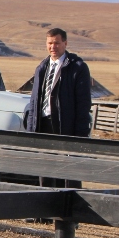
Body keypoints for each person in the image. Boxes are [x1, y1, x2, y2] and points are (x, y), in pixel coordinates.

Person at [24, 27, 92, 187]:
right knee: (46, 167)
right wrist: (31, 129)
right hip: (44, 124)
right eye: (49, 43)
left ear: (65, 43)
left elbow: (83, 103)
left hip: (66, 126)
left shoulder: (77, 68)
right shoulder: (42, 68)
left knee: (67, 170)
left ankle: (69, 207)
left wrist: (80, 133)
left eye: (57, 43)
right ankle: (47, 205)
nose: (53, 47)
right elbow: (35, 101)